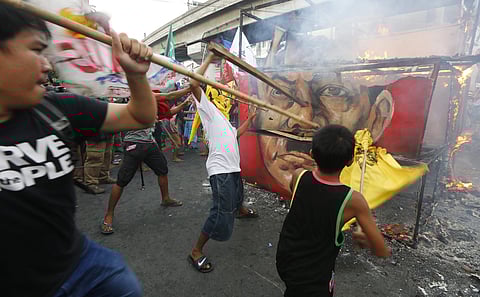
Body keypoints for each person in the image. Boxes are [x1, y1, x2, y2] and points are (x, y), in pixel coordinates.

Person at [0, 3, 156, 296]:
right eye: (35, 51)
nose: (47, 65)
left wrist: (135, 75)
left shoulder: (57, 109)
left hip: (82, 266)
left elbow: (140, 116)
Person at [252, 30, 394, 196]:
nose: (304, 119)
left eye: (334, 91)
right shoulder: (352, 202)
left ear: (377, 117)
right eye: (280, 92)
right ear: (255, 111)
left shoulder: (354, 201)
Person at [276, 124, 391, 297]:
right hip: (314, 279)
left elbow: (308, 203)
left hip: (286, 262)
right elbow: (382, 251)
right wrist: (364, 239)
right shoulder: (353, 200)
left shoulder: (299, 175)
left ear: (312, 154)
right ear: (350, 160)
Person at [187, 53, 258, 273]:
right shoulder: (209, 111)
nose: (227, 99)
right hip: (221, 171)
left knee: (237, 198)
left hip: (233, 169)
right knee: (219, 211)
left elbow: (236, 134)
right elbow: (193, 82)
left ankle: (240, 210)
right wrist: (210, 57)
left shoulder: (224, 120)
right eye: (223, 95)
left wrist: (251, 119)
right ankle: (196, 250)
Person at [101, 96, 192, 234]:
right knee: (122, 180)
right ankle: (109, 215)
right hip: (134, 144)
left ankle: (166, 198)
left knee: (162, 169)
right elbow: (168, 95)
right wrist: (186, 90)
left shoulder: (152, 106)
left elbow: (169, 113)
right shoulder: (135, 105)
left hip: (150, 144)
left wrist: (185, 102)